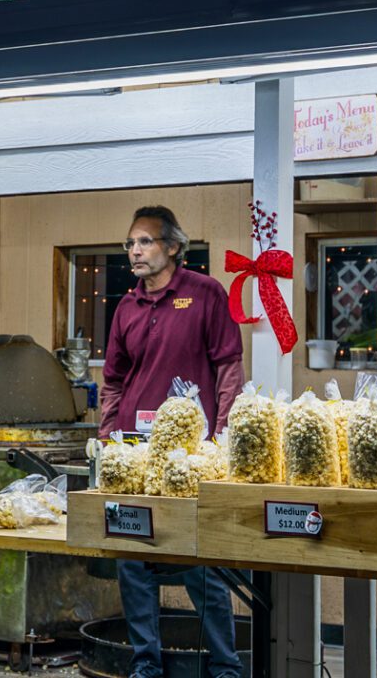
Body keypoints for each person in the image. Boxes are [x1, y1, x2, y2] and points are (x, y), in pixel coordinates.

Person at [99, 206, 245, 678]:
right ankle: (147, 664)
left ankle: (224, 665)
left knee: (199, 560)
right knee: (133, 556)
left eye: (144, 242)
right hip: (135, 452)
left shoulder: (205, 294)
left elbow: (228, 369)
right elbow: (113, 381)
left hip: (189, 455)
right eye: (130, 244)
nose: (134, 252)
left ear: (174, 248)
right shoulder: (126, 307)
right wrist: (107, 439)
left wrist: (222, 435)